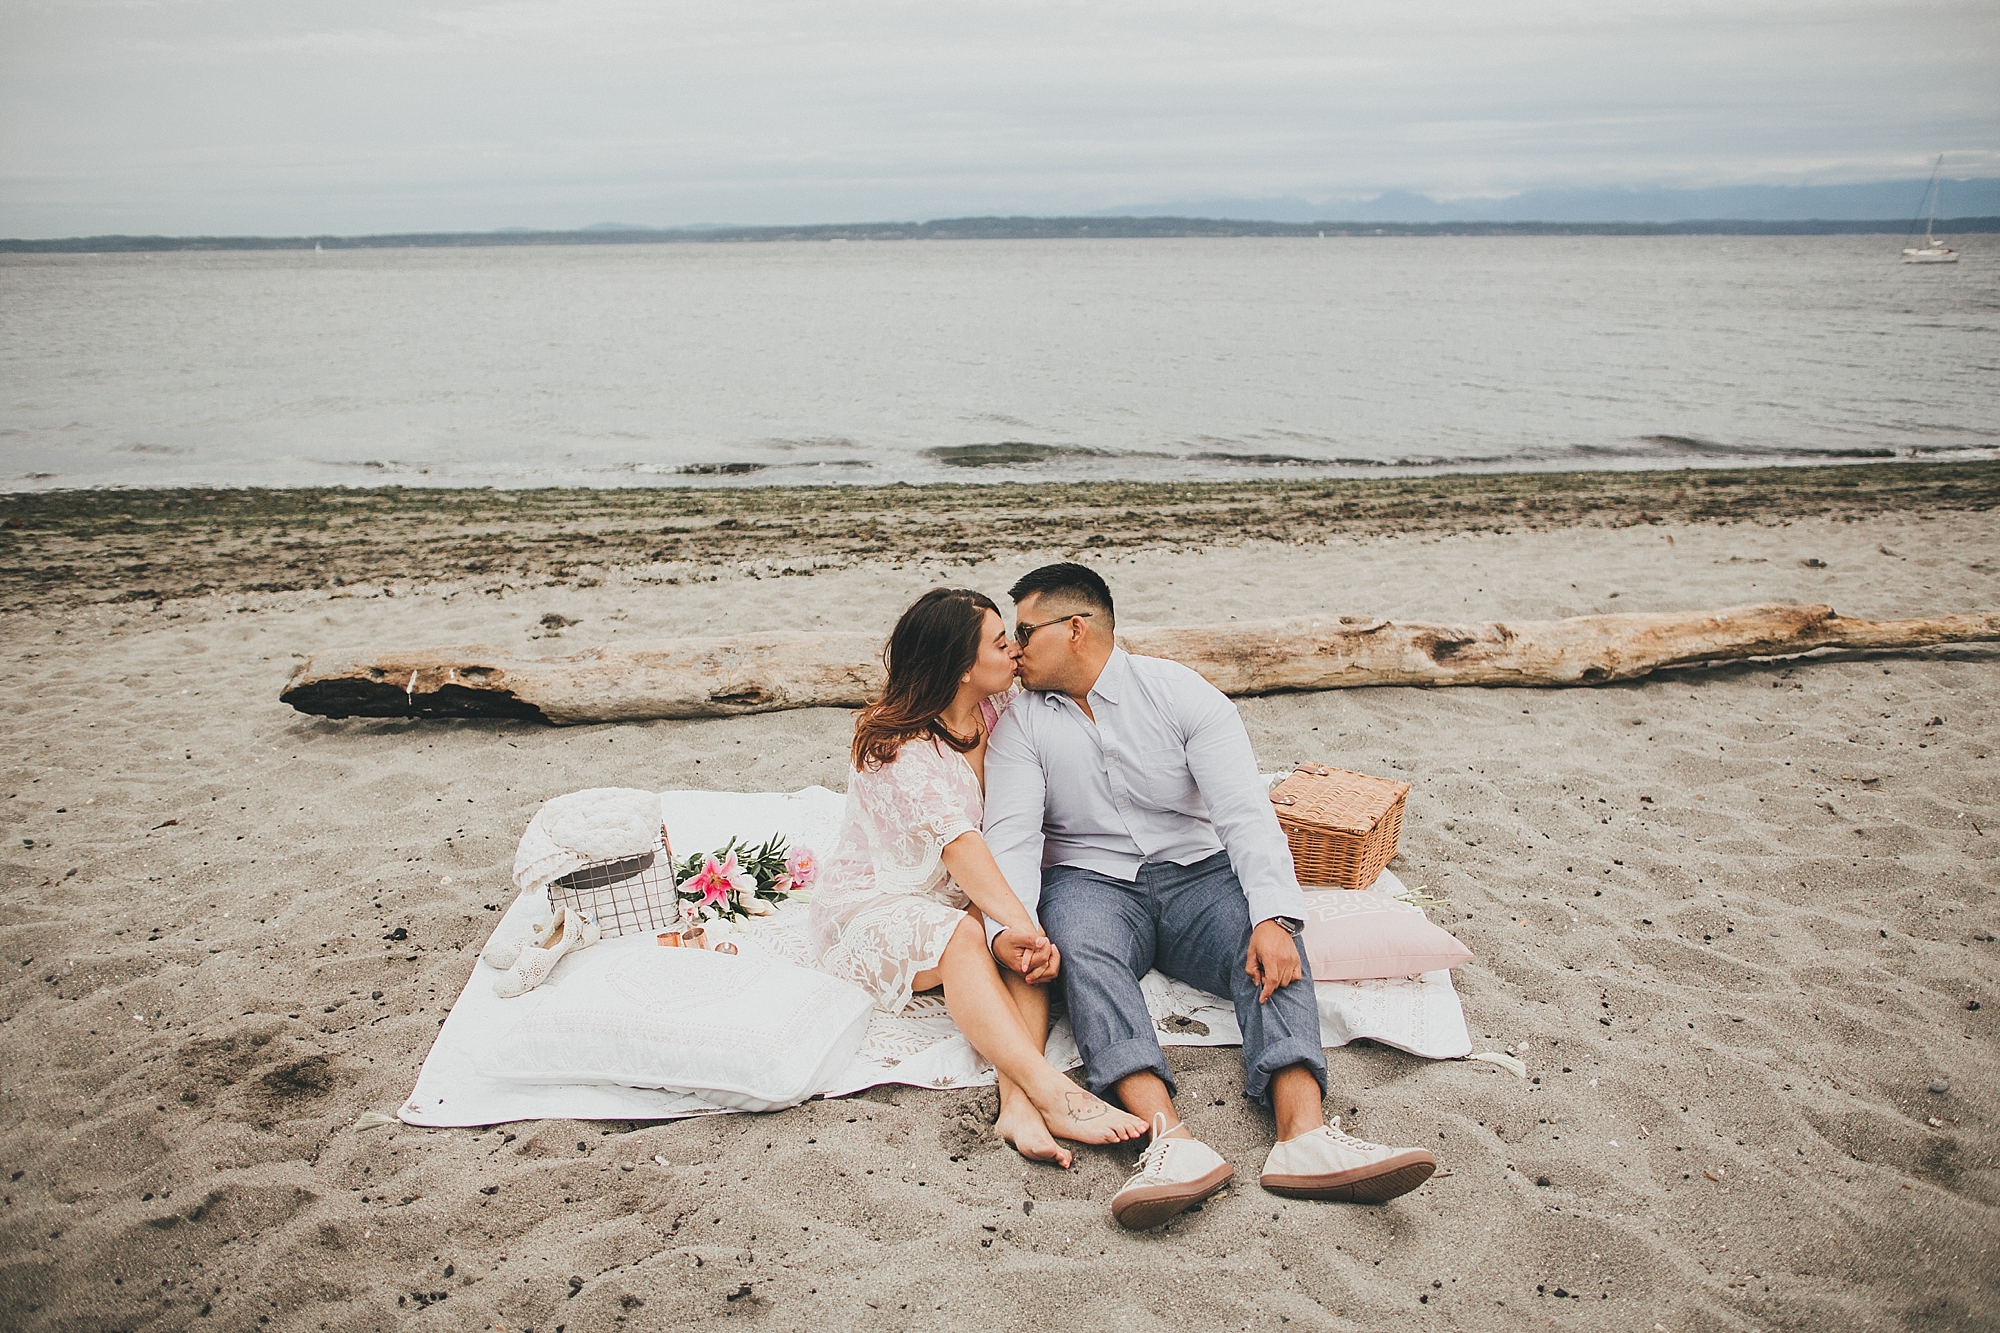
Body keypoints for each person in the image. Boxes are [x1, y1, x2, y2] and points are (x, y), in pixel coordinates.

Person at [982, 563, 1438, 1228]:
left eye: (1024, 630)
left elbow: (1245, 816)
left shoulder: (1181, 695)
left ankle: (1302, 1135)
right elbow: (1015, 841)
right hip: (1093, 882)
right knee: (1077, 944)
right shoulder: (1021, 725)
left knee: (1274, 947)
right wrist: (1010, 929)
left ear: (1076, 629)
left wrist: (1275, 916)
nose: (1015, 648)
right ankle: (1167, 1140)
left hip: (1200, 872)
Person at [808, 587, 1148, 1167]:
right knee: (978, 934)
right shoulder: (896, 746)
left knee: (1016, 935)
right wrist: (1016, 922)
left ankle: (1017, 1102)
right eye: (1000, 642)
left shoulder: (996, 709)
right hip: (876, 905)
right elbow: (962, 847)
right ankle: (1054, 1092)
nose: (1016, 650)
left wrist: (1020, 926)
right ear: (963, 667)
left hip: (965, 894)